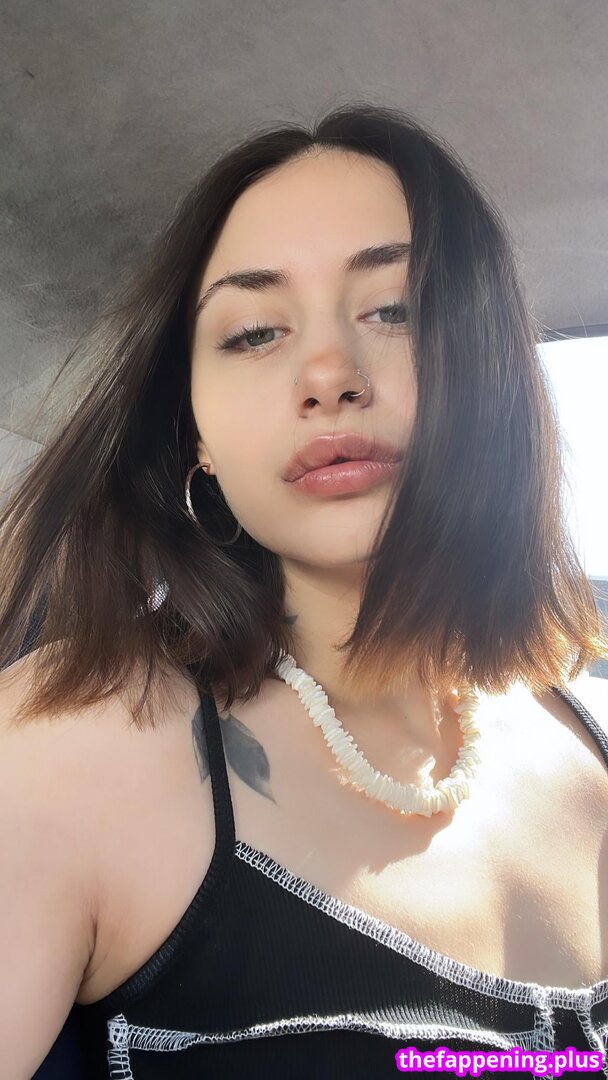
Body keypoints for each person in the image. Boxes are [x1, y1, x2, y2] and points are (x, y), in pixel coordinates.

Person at [1, 102, 607, 1080]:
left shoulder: (585, 741)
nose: (327, 375)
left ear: (491, 368)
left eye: (394, 310)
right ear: (197, 435)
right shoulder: (72, 740)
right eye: (252, 333)